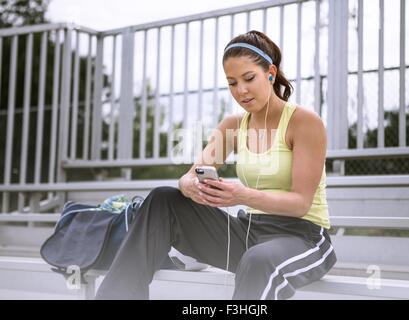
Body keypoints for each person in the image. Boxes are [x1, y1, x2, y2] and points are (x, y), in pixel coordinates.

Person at [95, 30, 337, 300]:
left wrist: (242, 195)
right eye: (232, 83)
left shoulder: (304, 122)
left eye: (249, 79)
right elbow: (191, 175)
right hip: (249, 233)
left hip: (302, 238)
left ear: (270, 73)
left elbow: (301, 203)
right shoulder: (233, 126)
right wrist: (188, 185)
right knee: (163, 199)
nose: (241, 91)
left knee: (258, 261)